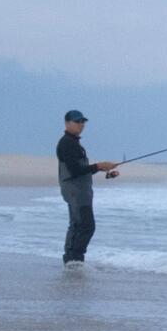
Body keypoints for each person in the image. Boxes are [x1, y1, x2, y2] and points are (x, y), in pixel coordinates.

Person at [56, 110, 120, 268]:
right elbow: (75, 170)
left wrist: (101, 168)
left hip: (80, 191)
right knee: (85, 225)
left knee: (78, 225)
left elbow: (81, 168)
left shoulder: (74, 143)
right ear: (67, 123)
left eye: (83, 122)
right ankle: (74, 260)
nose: (81, 125)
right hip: (75, 191)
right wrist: (99, 165)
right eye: (77, 122)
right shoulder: (67, 143)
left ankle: (73, 260)